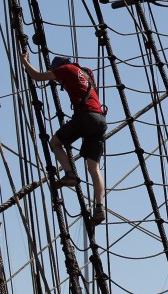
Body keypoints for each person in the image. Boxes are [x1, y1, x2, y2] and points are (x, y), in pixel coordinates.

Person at [21, 52, 107, 225]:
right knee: (93, 167)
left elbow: (37, 77)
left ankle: (70, 174)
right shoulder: (85, 73)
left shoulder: (66, 69)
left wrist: (24, 61)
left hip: (85, 118)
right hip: (100, 121)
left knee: (55, 143)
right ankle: (99, 207)